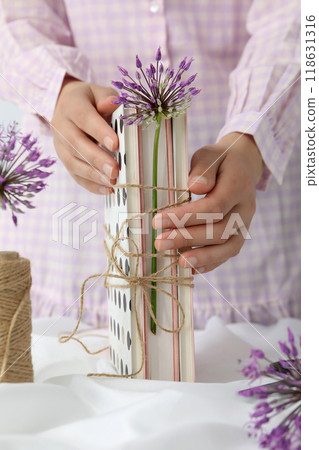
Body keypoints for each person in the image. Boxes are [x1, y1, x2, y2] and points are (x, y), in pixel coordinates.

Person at [0, 0, 301, 328]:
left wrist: (251, 136)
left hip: (249, 208)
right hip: (72, 223)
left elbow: (296, 15)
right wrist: (58, 88)